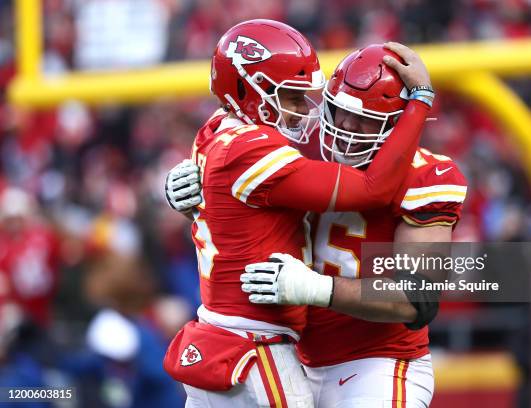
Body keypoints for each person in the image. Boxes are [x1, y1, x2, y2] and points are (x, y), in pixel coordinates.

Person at [162, 20, 434, 408]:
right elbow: (372, 188)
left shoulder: (213, 134)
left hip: (362, 358)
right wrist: (421, 101)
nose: (301, 110)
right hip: (258, 346)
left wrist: (315, 288)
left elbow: (418, 298)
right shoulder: (259, 149)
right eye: (289, 97)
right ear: (248, 89)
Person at [240, 44, 467, 407]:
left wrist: (315, 288)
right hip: (292, 361)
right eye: (338, 111)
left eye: (364, 119)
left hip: (379, 365)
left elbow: (416, 298)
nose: (346, 126)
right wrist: (197, 186)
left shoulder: (425, 177)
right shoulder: (298, 151)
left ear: (399, 123)